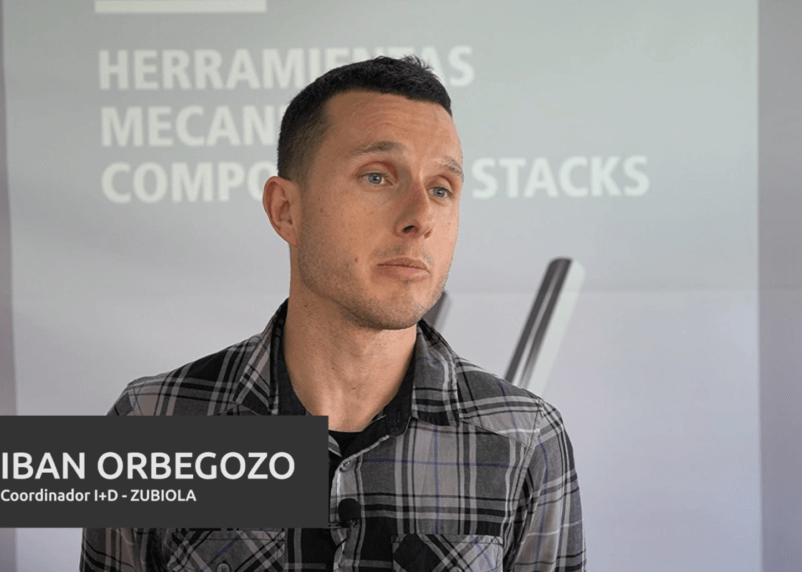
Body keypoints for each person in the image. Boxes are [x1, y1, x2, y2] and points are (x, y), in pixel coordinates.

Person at [80, 56, 585, 572]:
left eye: (441, 188)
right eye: (377, 177)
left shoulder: (525, 440)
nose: (421, 217)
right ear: (285, 210)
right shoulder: (151, 425)